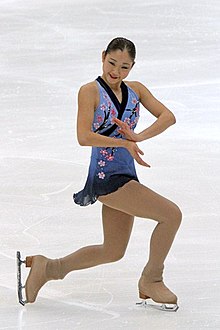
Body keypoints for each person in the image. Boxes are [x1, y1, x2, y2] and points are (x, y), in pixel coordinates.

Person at [21, 37, 182, 310]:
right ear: (103, 56)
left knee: (113, 250)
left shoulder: (136, 91)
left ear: (132, 67)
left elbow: (168, 116)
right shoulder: (90, 91)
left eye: (124, 66)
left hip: (127, 176)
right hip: (107, 177)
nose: (116, 71)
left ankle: (48, 268)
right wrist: (123, 142)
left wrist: (138, 136)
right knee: (171, 215)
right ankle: (152, 280)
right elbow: (84, 137)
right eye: (112, 63)